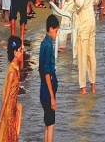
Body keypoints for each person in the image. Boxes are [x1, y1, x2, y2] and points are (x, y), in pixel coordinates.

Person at [0, 36, 24, 142]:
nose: (22, 52)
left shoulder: (15, 68)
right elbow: (6, 96)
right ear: (15, 53)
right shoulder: (11, 71)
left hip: (12, 109)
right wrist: (0, 119)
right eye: (20, 50)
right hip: (8, 111)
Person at [73, 0, 97, 94]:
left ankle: (83, 86)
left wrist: (75, 0)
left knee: (82, 54)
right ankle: (93, 84)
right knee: (91, 53)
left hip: (84, 19)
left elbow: (80, 2)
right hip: (92, 18)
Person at [40, 14, 59, 142]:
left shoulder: (43, 43)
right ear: (51, 29)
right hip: (48, 90)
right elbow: (47, 72)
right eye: (56, 31)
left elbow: (41, 69)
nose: (57, 34)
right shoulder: (48, 45)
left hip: (44, 89)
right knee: (51, 124)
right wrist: (52, 97)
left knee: (48, 123)